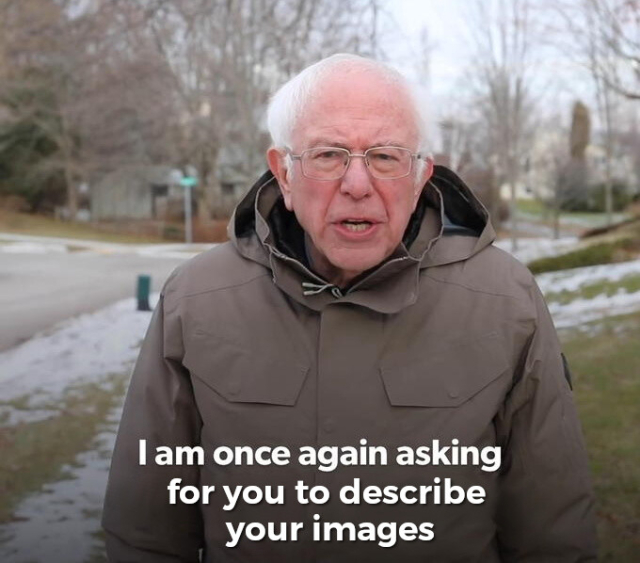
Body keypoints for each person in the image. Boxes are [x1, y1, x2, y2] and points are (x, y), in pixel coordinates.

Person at [102, 54, 597, 562]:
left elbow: (553, 532)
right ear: (285, 174)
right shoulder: (196, 299)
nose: (357, 185)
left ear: (421, 175)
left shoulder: (505, 300)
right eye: (328, 155)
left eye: (385, 156)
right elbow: (146, 532)